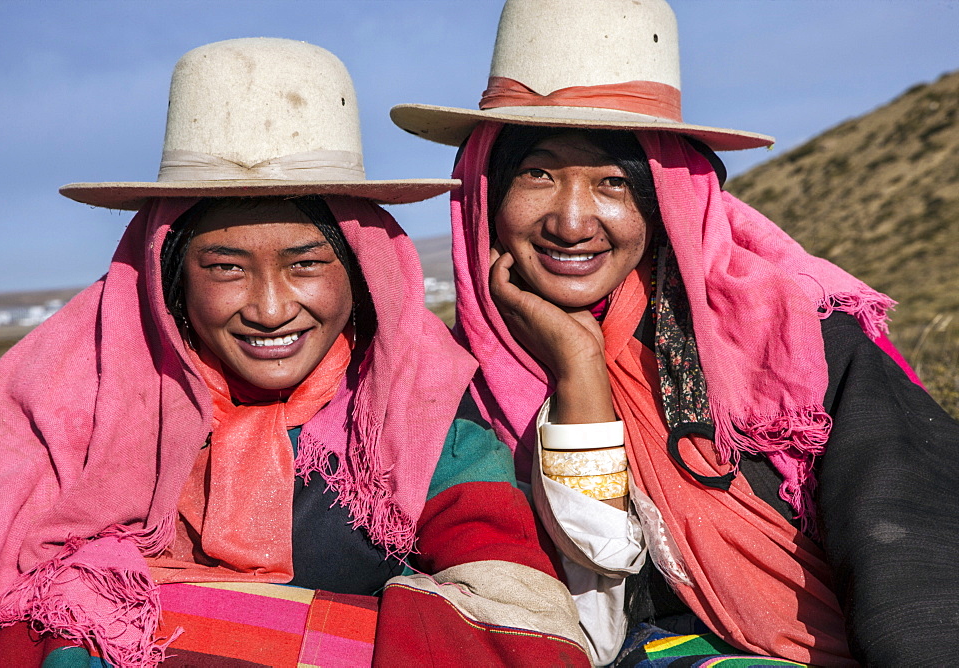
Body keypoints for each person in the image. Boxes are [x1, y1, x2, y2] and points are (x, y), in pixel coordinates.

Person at [0, 38, 591, 667]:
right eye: (226, 268)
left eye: (306, 265)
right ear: (170, 282)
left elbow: (527, 639)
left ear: (360, 273)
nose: (269, 309)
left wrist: (170, 628)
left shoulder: (433, 443)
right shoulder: (68, 436)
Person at [391, 1, 959, 665]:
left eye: (611, 182)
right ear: (486, 189)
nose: (571, 222)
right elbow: (594, 570)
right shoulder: (454, 380)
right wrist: (579, 366)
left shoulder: (791, 338)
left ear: (661, 194)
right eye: (537, 173)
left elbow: (914, 544)